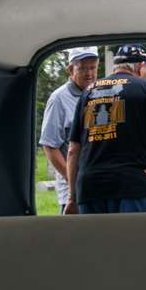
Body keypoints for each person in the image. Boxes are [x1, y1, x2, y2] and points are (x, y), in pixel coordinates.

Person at [64, 44, 146, 214]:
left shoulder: (88, 92)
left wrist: (72, 198)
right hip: (132, 188)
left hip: (89, 189)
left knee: (94, 241)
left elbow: (73, 150)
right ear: (141, 67)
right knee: (133, 241)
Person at [38, 47, 100, 208]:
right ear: (70, 69)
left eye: (92, 67)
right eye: (82, 68)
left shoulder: (100, 93)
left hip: (99, 188)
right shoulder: (58, 99)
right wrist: (73, 179)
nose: (89, 74)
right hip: (73, 195)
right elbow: (49, 145)